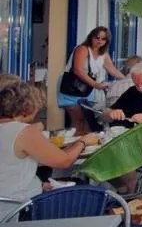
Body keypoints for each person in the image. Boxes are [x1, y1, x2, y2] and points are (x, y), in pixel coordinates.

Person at [0, 80, 98, 219]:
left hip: (8, 201)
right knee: (91, 195)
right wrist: (83, 142)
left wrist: (39, 184)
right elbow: (64, 161)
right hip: (18, 209)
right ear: (28, 107)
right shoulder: (23, 131)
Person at [63, 27, 124, 134]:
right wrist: (95, 84)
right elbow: (78, 70)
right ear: (91, 37)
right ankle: (74, 142)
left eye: (103, 39)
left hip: (87, 90)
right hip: (72, 87)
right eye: (97, 37)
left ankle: (84, 142)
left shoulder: (103, 54)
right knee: (78, 120)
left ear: (106, 41)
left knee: (87, 120)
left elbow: (113, 70)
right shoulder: (83, 49)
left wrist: (128, 80)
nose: (99, 40)